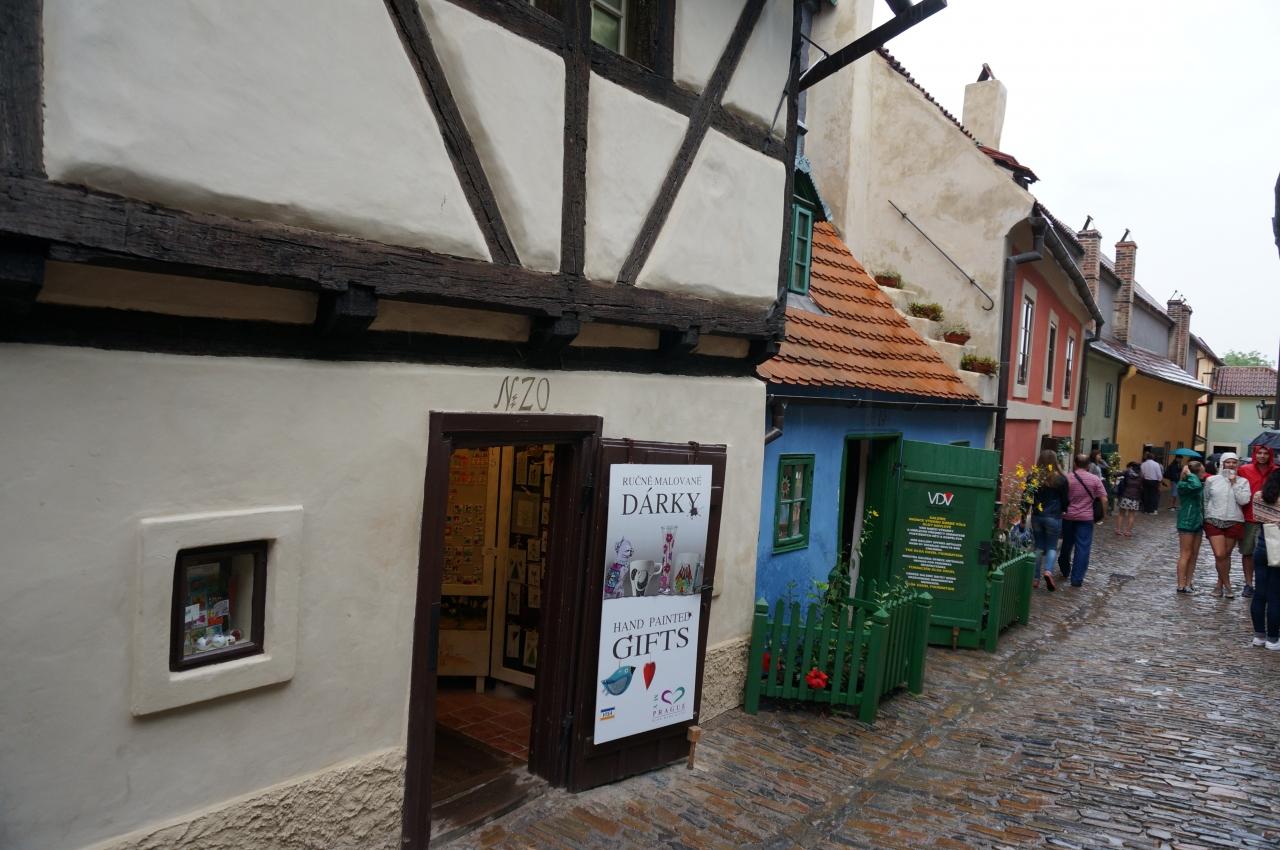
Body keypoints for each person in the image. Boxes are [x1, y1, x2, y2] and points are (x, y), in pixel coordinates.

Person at [1202, 452, 1251, 599]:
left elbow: (1244, 501)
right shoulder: (1212, 480)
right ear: (1222, 463)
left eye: (1234, 462)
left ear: (1237, 464)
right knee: (1219, 554)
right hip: (1213, 519)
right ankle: (1228, 585)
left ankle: (1219, 585)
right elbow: (1205, 499)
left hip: (1234, 520)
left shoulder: (1243, 481)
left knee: (1226, 555)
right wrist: (1206, 516)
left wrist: (1234, 483)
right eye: (1228, 462)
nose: (1231, 465)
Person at [1058, 453, 1109, 587]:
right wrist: (1103, 515)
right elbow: (1104, 499)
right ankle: (1077, 578)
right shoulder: (1095, 479)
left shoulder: (1067, 478)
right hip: (1086, 518)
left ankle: (1064, 568)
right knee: (1083, 548)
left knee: (1067, 544)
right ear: (1088, 465)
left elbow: (1060, 497)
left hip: (1068, 516)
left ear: (1075, 464)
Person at [1237, 444, 1276, 599]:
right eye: (1259, 453)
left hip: (1271, 519)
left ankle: (1266, 585)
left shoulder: (1276, 471)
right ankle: (1248, 584)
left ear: (1270, 455)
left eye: (1265, 453)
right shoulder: (1244, 470)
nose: (1262, 456)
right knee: (1247, 551)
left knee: (1271, 553)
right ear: (1255, 454)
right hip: (1249, 516)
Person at [1028, 449, 1069, 591]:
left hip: (1037, 516)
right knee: (1052, 547)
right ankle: (1048, 571)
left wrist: (1023, 516)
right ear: (1055, 461)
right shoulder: (1061, 479)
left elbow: (1027, 497)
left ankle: (1035, 578)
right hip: (1053, 516)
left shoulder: (1033, 477)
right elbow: (1065, 500)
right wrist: (1064, 509)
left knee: (1039, 546)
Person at [1248, 468, 1280, 649]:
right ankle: (1273, 639)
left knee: (1260, 593)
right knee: (1275, 595)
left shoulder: (1259, 496)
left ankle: (1259, 636)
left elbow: (1257, 518)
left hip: (1262, 546)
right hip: (1278, 550)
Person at [1175, 460, 1206, 593]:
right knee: (1185, 553)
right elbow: (1196, 486)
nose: (1204, 473)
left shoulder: (1197, 483)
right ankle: (1181, 584)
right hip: (1186, 521)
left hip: (1197, 522)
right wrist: (1189, 474)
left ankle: (1188, 582)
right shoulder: (1184, 484)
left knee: (1194, 554)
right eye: (1202, 471)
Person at [1115, 461, 1142, 537]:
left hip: (1125, 496)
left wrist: (1125, 471)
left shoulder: (1127, 472)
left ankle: (1118, 530)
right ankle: (1128, 532)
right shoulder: (1141, 474)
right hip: (1135, 497)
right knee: (1131, 516)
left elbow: (1115, 474)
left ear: (1131, 467)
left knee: (1121, 514)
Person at [1140, 451, 1163, 515]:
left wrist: (1142, 481)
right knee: (1153, 495)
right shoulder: (1156, 464)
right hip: (1154, 481)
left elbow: (1141, 474)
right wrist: (1160, 481)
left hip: (1145, 481)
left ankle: (1146, 510)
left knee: (1146, 495)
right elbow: (1159, 475)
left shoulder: (1143, 464)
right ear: (1153, 457)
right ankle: (1152, 510)